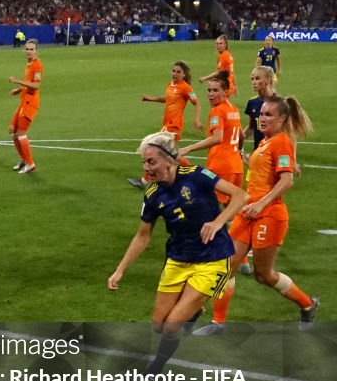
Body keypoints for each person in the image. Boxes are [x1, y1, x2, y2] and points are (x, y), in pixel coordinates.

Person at [108, 132, 248, 374]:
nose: (146, 168)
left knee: (171, 327)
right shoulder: (152, 195)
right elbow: (142, 235)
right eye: (143, 162)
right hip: (178, 259)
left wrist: (218, 223)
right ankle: (194, 311)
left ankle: (157, 367)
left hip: (212, 259)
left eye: (151, 162)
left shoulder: (197, 176)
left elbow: (240, 195)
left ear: (170, 161)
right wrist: (120, 270)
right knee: (157, 325)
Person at [192, 95, 318, 335]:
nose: (262, 118)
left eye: (269, 114)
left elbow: (287, 179)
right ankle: (218, 323)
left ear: (282, 118)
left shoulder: (281, 142)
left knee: (264, 275)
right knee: (225, 265)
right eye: (261, 114)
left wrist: (261, 204)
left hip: (269, 215)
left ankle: (308, 304)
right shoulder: (265, 142)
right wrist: (253, 165)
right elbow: (266, 176)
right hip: (247, 213)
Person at [129, 61, 204, 188]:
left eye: (178, 72)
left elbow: (196, 103)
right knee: (171, 154)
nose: (175, 73)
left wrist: (196, 120)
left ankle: (144, 181)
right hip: (167, 124)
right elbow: (167, 99)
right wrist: (151, 99)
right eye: (173, 71)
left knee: (157, 149)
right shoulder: (171, 85)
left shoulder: (186, 88)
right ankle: (194, 176)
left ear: (184, 74)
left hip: (174, 126)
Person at [178, 71, 244, 205]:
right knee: (232, 210)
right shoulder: (234, 109)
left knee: (212, 207)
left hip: (221, 165)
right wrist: (240, 151)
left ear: (225, 91)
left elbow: (217, 138)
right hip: (236, 166)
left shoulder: (217, 111)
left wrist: (188, 148)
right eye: (209, 90)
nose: (211, 94)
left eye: (215, 90)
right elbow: (241, 135)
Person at [8, 39, 43, 174]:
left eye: (31, 49)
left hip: (30, 103)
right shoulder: (29, 64)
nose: (28, 51)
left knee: (21, 133)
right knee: (12, 130)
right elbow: (29, 84)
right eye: (27, 49)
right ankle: (23, 159)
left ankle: (30, 163)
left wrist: (17, 81)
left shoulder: (37, 65)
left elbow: (36, 85)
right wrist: (19, 90)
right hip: (24, 101)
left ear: (36, 50)